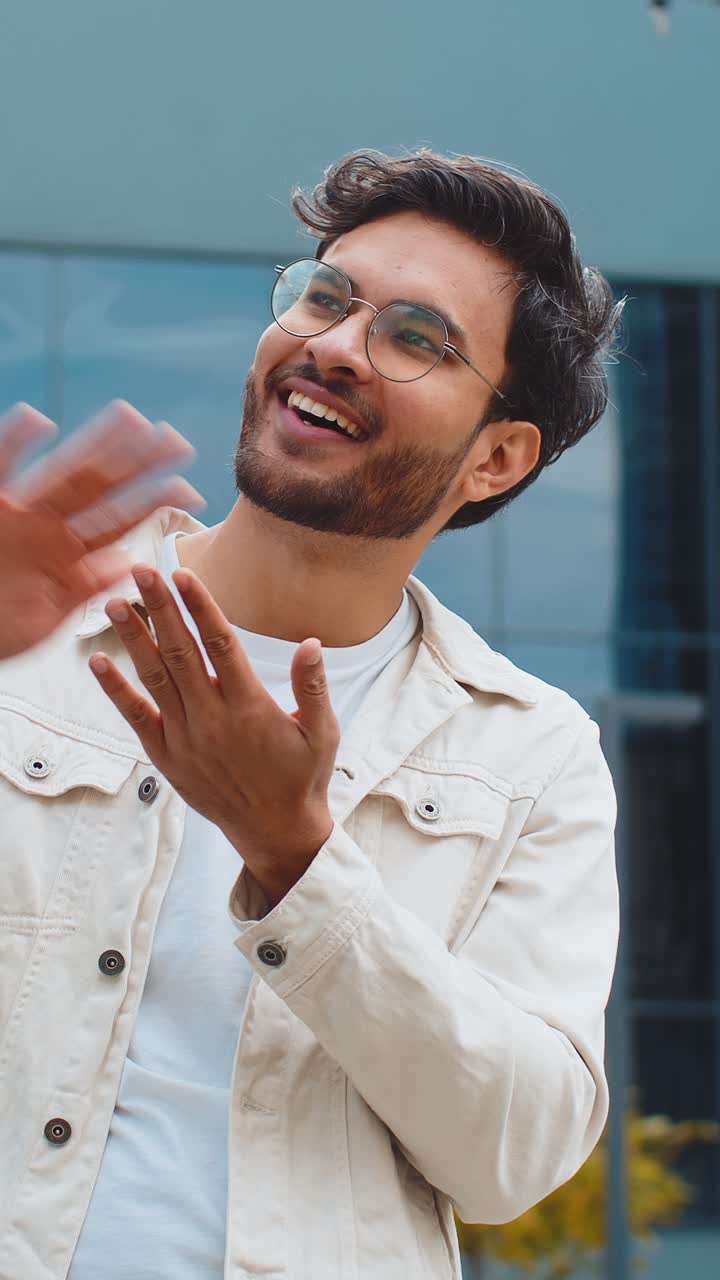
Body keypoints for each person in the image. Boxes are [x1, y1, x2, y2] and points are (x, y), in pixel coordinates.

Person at [0, 150, 622, 1280]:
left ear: (496, 456)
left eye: (418, 338)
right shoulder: (30, 615)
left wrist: (298, 860)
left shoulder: (529, 754)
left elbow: (515, 1156)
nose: (333, 345)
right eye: (328, 297)